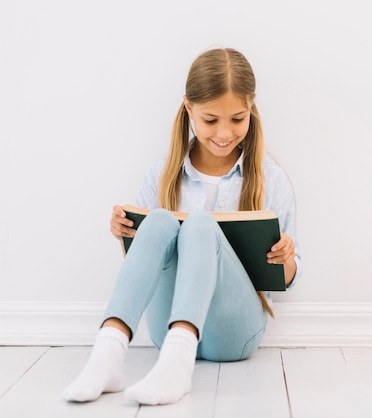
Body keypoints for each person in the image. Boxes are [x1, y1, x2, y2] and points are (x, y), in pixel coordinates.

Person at [62, 47, 301, 406]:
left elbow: (288, 278)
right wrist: (126, 235)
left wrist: (285, 255)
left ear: (251, 109)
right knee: (158, 219)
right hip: (165, 326)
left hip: (234, 332)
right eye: (210, 120)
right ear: (189, 108)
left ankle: (177, 365)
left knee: (200, 226)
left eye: (237, 119)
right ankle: (108, 352)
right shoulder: (160, 174)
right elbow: (148, 267)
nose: (224, 133)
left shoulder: (271, 178)